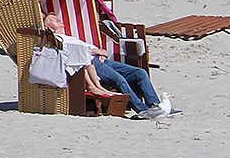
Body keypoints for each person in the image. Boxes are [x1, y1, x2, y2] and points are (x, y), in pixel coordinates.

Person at [43, 13, 171, 119]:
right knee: (120, 80)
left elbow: (84, 48)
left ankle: (155, 106)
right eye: (53, 20)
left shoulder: (67, 37)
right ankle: (142, 111)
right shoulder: (58, 39)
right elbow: (75, 52)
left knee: (140, 73)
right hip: (93, 62)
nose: (59, 20)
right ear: (48, 25)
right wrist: (96, 52)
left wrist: (100, 51)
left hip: (100, 59)